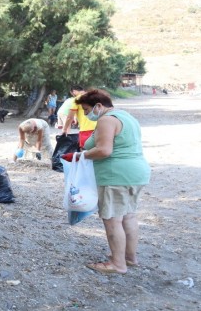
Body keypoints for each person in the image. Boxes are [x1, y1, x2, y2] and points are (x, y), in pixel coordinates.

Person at [61, 89, 151, 274]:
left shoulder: (106, 120)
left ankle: (118, 265)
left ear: (99, 106)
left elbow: (104, 150)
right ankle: (129, 257)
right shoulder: (126, 116)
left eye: (86, 110)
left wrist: (79, 156)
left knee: (112, 219)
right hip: (136, 173)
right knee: (129, 216)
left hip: (115, 175)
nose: (86, 114)